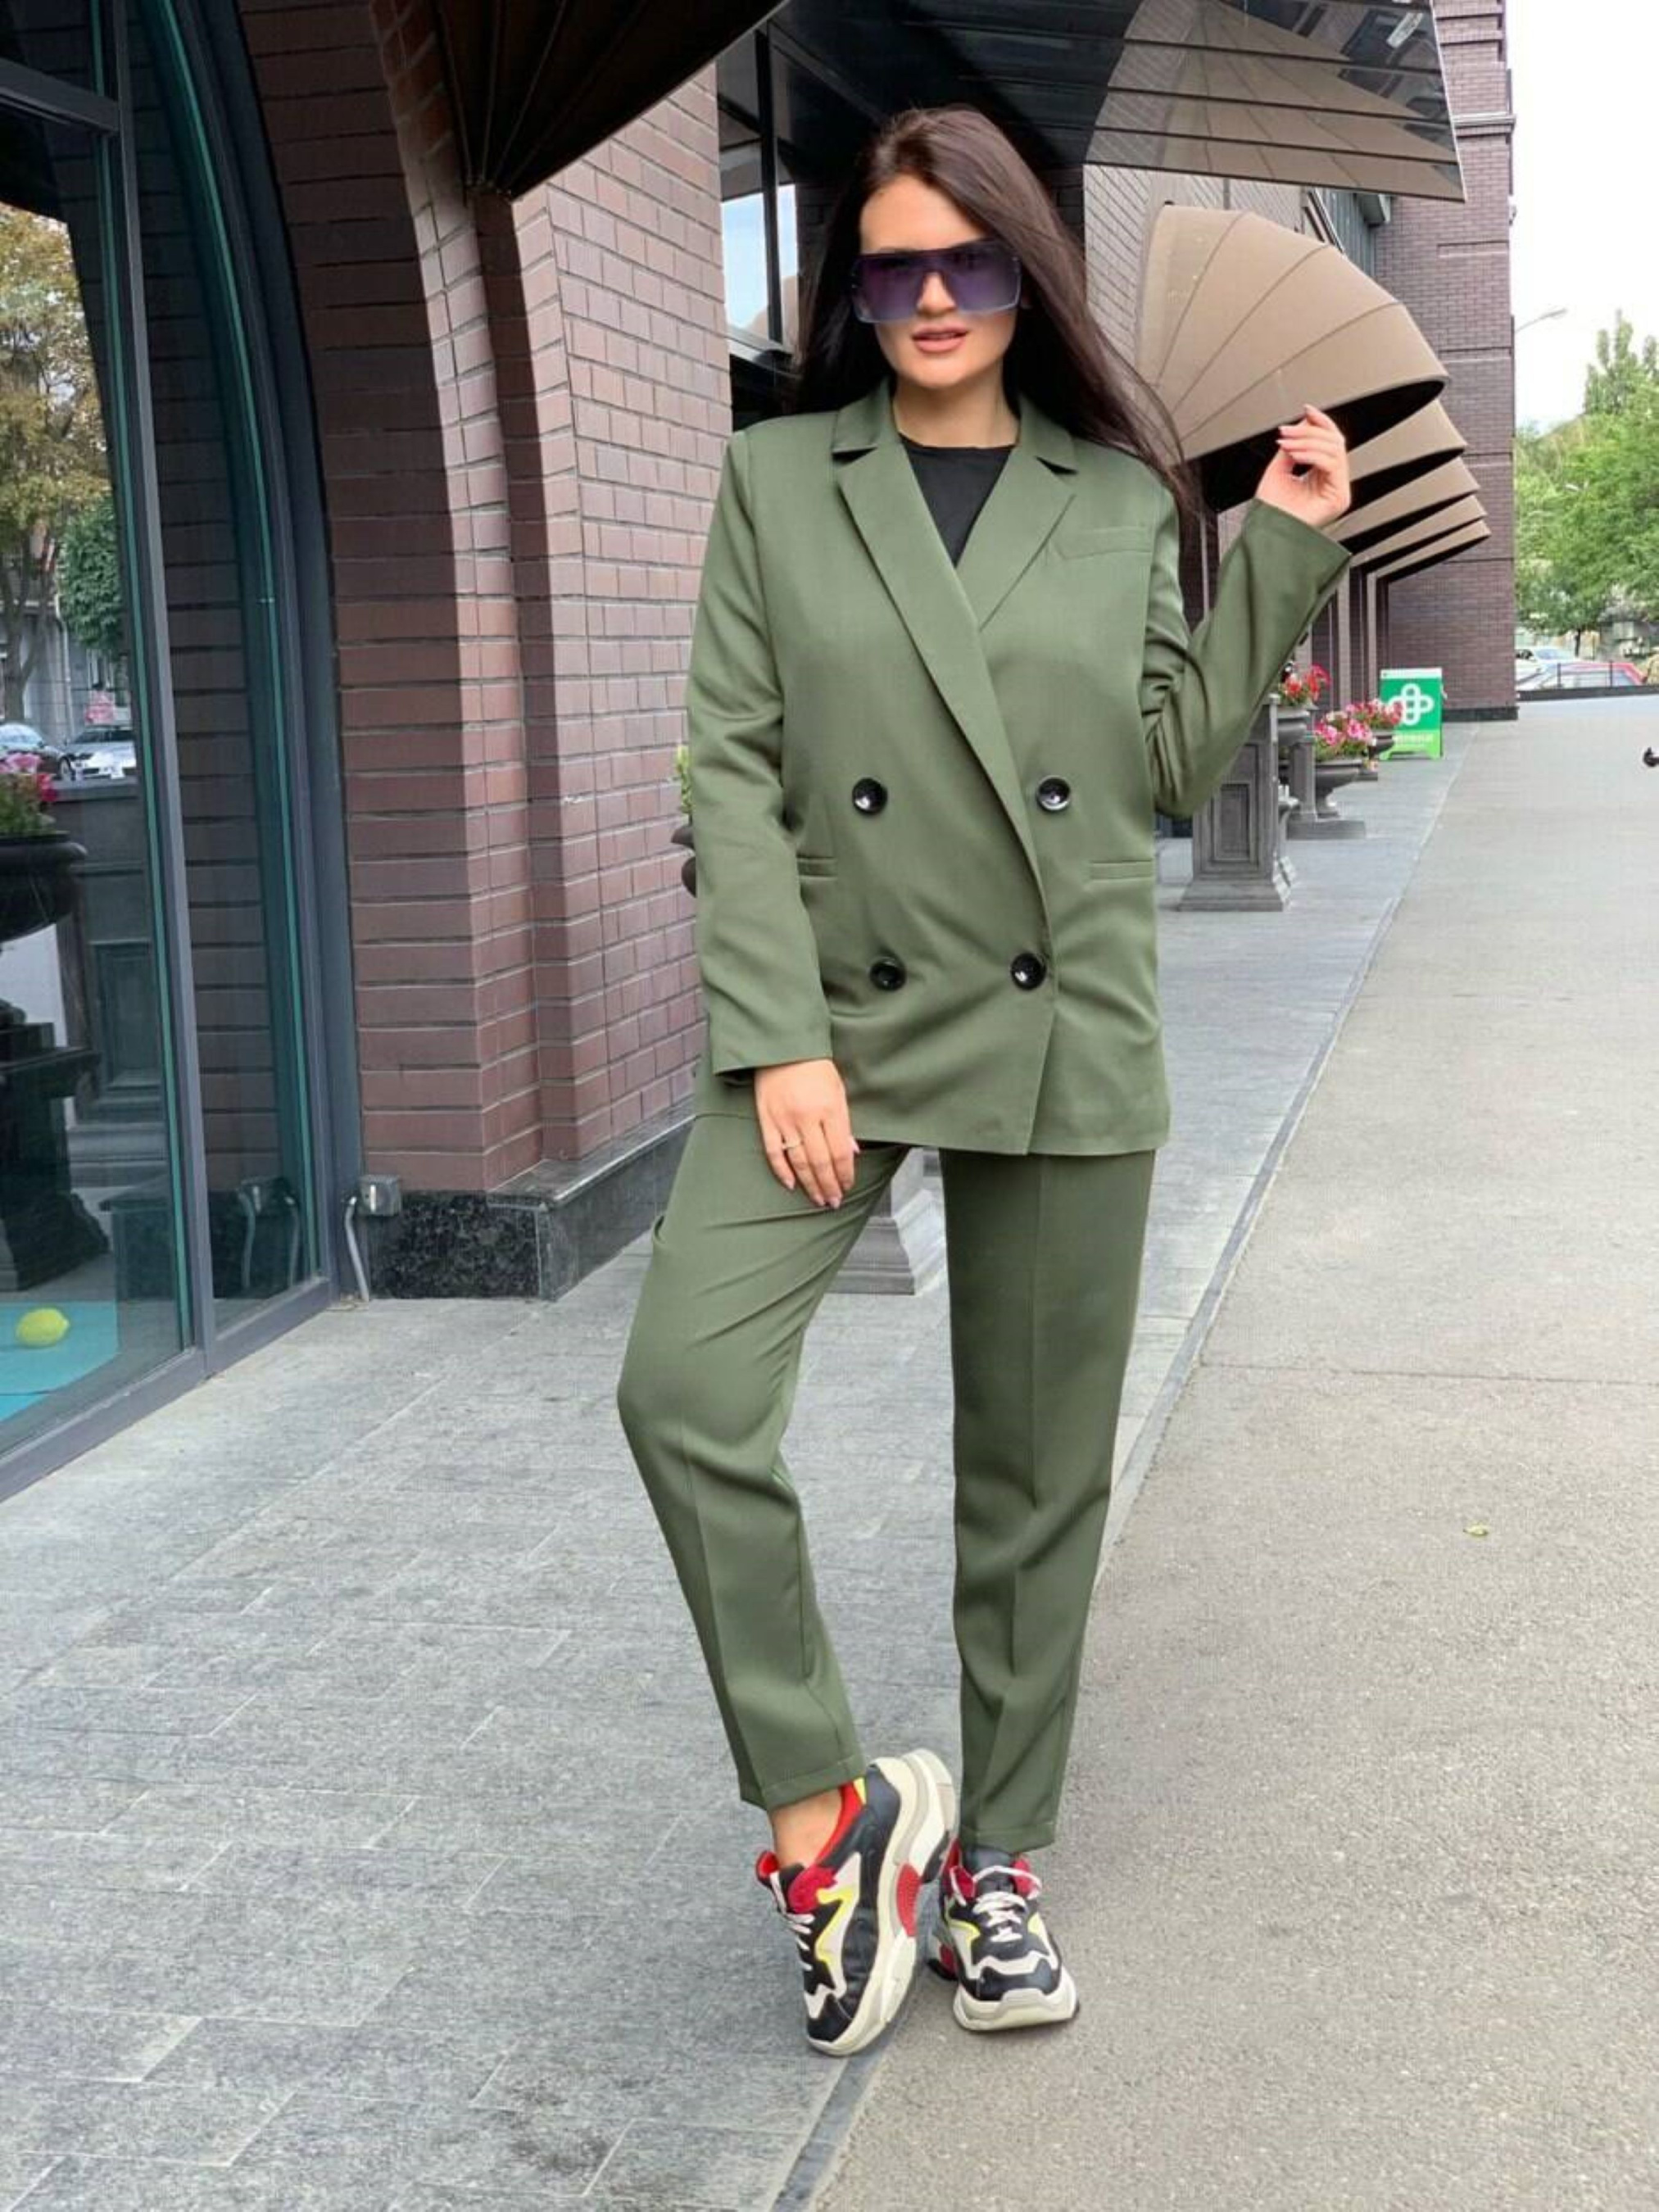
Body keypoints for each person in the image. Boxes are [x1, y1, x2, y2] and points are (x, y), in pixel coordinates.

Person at [616, 104, 1352, 2056]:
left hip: (1057, 1013)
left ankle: (993, 1867)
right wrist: (779, 1036)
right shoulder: (778, 478)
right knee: (683, 1394)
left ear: (1028, 275)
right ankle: (828, 1818)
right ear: (849, 291)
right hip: (828, 1019)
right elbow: (732, 766)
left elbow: (1167, 764)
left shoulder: (1113, 499)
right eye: (892, 269)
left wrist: (1280, 544)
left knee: (1029, 1479)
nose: (931, 298)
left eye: (967, 261)